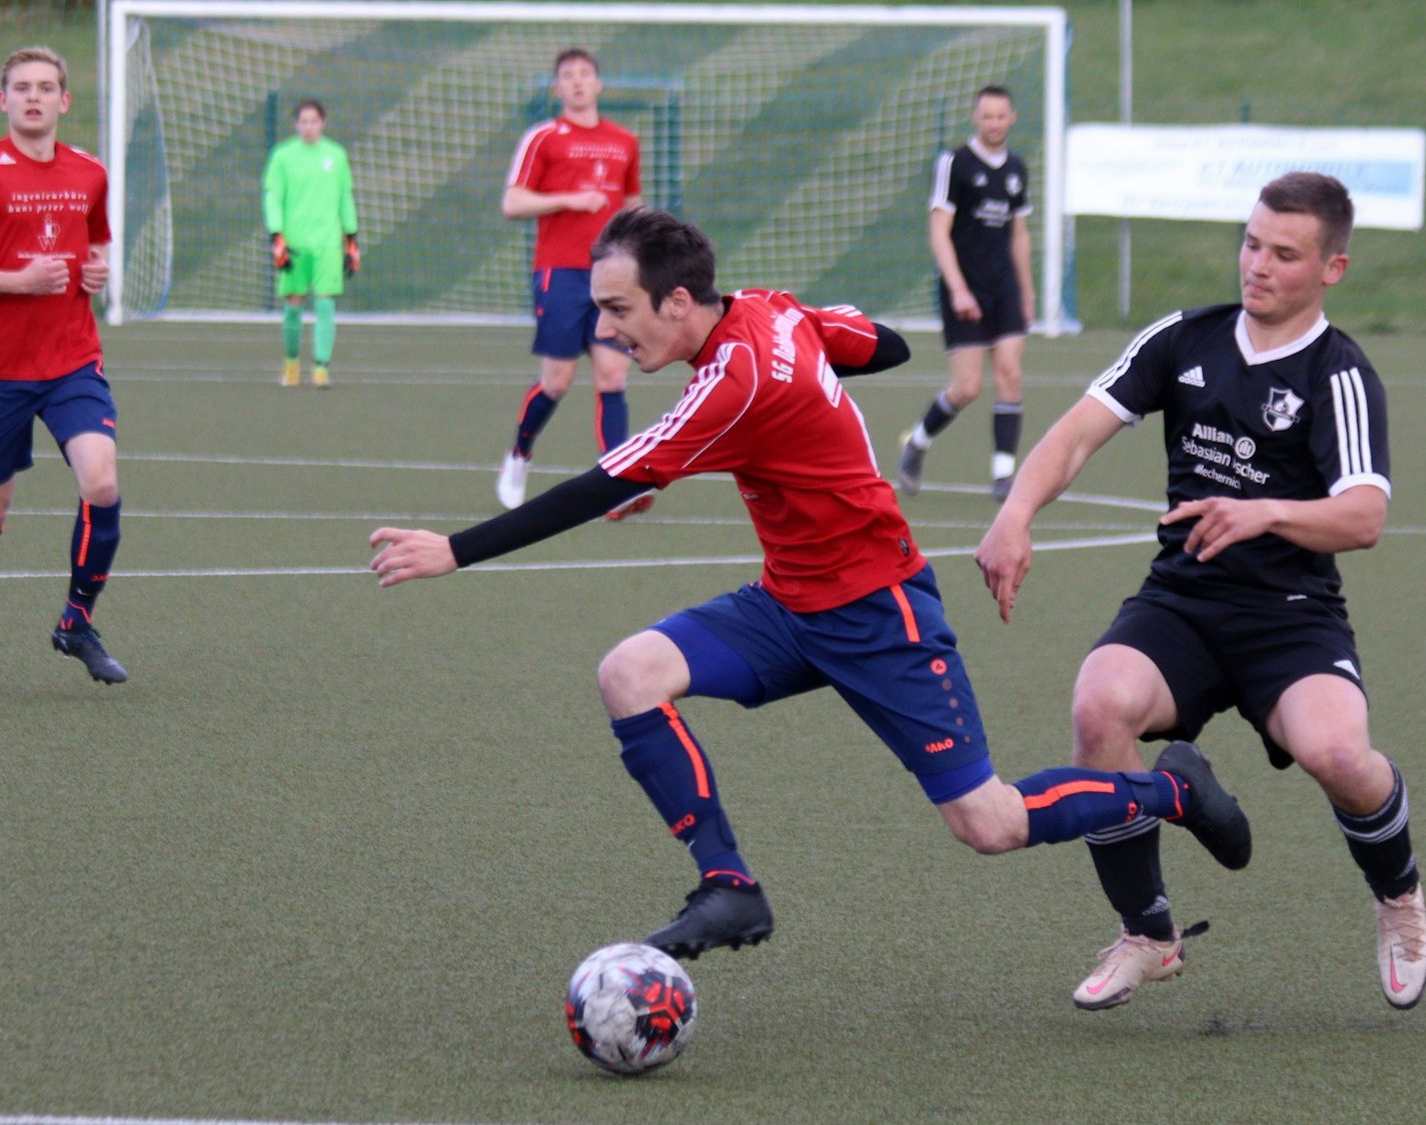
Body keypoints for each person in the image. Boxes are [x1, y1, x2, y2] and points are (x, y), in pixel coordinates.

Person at [370, 207, 1252, 962]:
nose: (607, 328)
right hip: (788, 604)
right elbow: (890, 344)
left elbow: (608, 479)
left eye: (618, 309)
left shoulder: (734, 375)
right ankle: (729, 886)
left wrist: (454, 549)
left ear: (679, 302)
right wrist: (809, 400)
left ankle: (1174, 787)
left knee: (989, 823)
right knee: (630, 674)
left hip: (880, 613)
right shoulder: (773, 313)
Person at [974, 172, 1426, 1011]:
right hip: (1181, 601)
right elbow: (1078, 432)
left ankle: (1397, 892)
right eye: (1251, 243)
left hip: (1289, 618)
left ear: (1332, 269)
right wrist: (1016, 514)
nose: (1257, 265)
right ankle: (1149, 933)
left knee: (1340, 757)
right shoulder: (1185, 338)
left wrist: (1265, 512)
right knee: (1098, 706)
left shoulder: (1340, 374)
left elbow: (1364, 515)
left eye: (1284, 253)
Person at [0, 45, 126, 693]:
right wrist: (19, 281)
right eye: (22, 87)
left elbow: (94, 242)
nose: (35, 96)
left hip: (73, 359)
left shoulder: (91, 173)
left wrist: (96, 269)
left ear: (65, 100)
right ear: (4, 99)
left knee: (101, 482)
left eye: (47, 87)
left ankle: (76, 622)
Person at [495, 48, 649, 517]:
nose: (578, 83)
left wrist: (643, 252)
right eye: (568, 76)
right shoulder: (544, 138)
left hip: (612, 276)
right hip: (560, 272)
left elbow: (633, 204)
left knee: (613, 373)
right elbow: (513, 203)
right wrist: (568, 200)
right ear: (558, 88)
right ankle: (520, 452)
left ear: (599, 84)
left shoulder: (624, 140)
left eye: (585, 75)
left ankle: (616, 483)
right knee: (558, 382)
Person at [897, 85, 1037, 501]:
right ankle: (917, 443)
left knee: (1011, 373)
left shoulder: (1017, 169)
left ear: (1012, 118)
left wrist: (1027, 290)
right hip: (965, 286)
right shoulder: (955, 163)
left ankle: (1002, 476)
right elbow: (939, 230)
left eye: (1001, 115)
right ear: (975, 118)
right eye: (986, 115)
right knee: (967, 387)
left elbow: (1019, 233)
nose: (994, 122)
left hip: (1004, 287)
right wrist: (958, 289)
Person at [262, 98, 360, 388]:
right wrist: (276, 236)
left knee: (326, 301)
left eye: (313, 121)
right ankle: (292, 364)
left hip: (328, 242)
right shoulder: (282, 156)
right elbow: (273, 197)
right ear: (296, 125)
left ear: (323, 122)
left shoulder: (336, 156)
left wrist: (351, 239)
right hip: (294, 242)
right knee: (293, 303)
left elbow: (345, 199)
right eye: (303, 121)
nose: (308, 127)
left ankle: (320, 369)